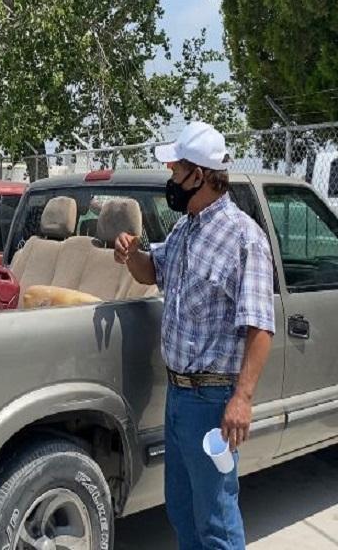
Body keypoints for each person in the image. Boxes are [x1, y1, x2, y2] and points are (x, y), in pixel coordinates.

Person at [114, 122, 275, 550]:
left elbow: (260, 327)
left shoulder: (244, 238)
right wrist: (133, 257)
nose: (170, 180)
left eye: (175, 170)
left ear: (199, 175)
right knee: (182, 510)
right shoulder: (185, 229)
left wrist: (242, 399)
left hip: (214, 401)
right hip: (180, 396)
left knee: (216, 520)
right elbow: (154, 270)